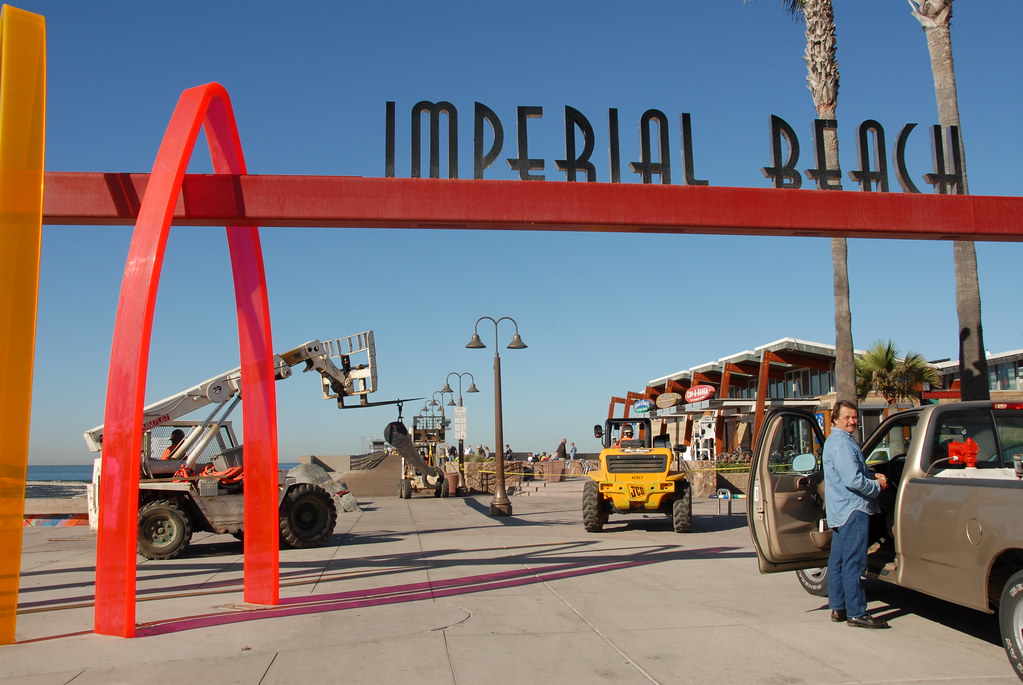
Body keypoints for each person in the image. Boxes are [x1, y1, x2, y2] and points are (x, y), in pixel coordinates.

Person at [823, 400, 890, 629]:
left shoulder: (837, 441)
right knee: (853, 562)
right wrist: (877, 486)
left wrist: (870, 476)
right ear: (835, 419)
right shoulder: (842, 444)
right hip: (854, 510)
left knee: (839, 561)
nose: (852, 421)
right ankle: (856, 612)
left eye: (854, 417)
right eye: (847, 417)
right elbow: (852, 480)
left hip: (840, 510)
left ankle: (839, 607)